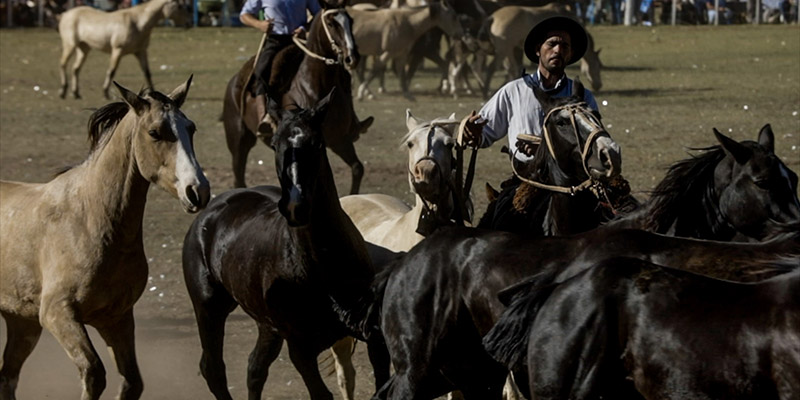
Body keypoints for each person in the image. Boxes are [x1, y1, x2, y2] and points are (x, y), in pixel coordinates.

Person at [462, 15, 633, 221]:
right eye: (552, 44)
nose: (558, 50)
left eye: (564, 46)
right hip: (528, 182)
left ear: (570, 54)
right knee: (496, 227)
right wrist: (471, 133)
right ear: (538, 50)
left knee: (621, 221)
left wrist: (546, 151)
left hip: (575, 183)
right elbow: (484, 134)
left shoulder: (583, 97)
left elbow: (593, 146)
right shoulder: (514, 91)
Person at [240, 0, 320, 134]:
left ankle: (347, 116)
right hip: (275, 41)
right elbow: (244, 15)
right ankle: (265, 117)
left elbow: (318, 14)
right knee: (261, 71)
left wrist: (304, 28)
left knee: (330, 66)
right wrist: (259, 24)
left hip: (299, 41)